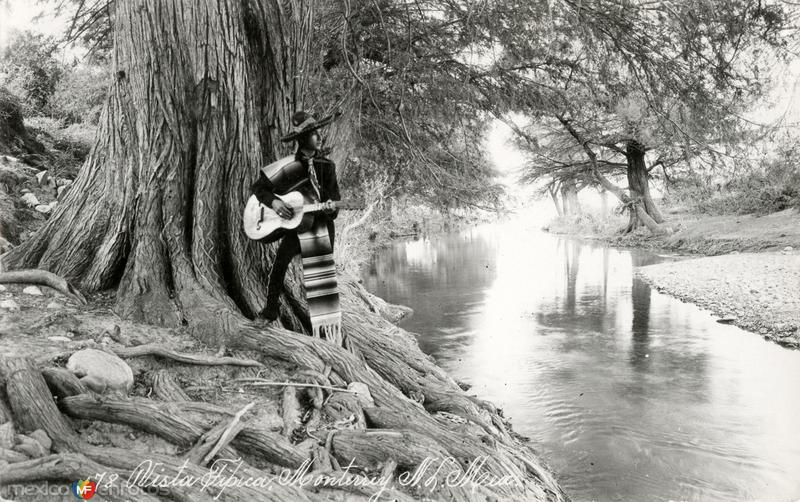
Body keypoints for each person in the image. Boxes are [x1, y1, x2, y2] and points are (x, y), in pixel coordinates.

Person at [251, 111, 341, 328]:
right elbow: (259, 188)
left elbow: (335, 201)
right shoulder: (288, 165)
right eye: (315, 135)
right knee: (279, 266)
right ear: (302, 139)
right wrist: (275, 203)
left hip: (320, 225)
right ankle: (270, 312)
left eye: (320, 134)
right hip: (297, 226)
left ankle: (326, 330)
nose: (320, 138)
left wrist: (330, 208)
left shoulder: (327, 166)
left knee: (322, 278)